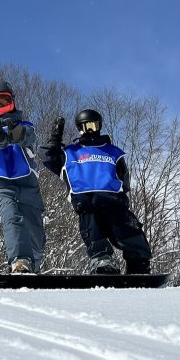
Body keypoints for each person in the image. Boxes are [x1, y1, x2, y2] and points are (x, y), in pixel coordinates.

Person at [41, 109, 153, 274]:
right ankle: (103, 262)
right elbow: (48, 158)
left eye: (93, 125)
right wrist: (55, 140)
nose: (90, 130)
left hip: (113, 201)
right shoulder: (70, 153)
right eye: (86, 127)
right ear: (80, 129)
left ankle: (139, 263)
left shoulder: (113, 152)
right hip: (87, 203)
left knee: (128, 231)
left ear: (99, 126)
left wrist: (119, 195)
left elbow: (124, 178)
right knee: (93, 231)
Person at [0, 80, 45, 273]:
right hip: (1, 186)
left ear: (12, 101)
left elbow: (29, 136)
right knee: (11, 217)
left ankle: (34, 264)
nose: (0, 106)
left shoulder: (25, 126)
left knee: (35, 231)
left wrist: (16, 135)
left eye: (4, 101)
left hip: (28, 185)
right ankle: (20, 261)